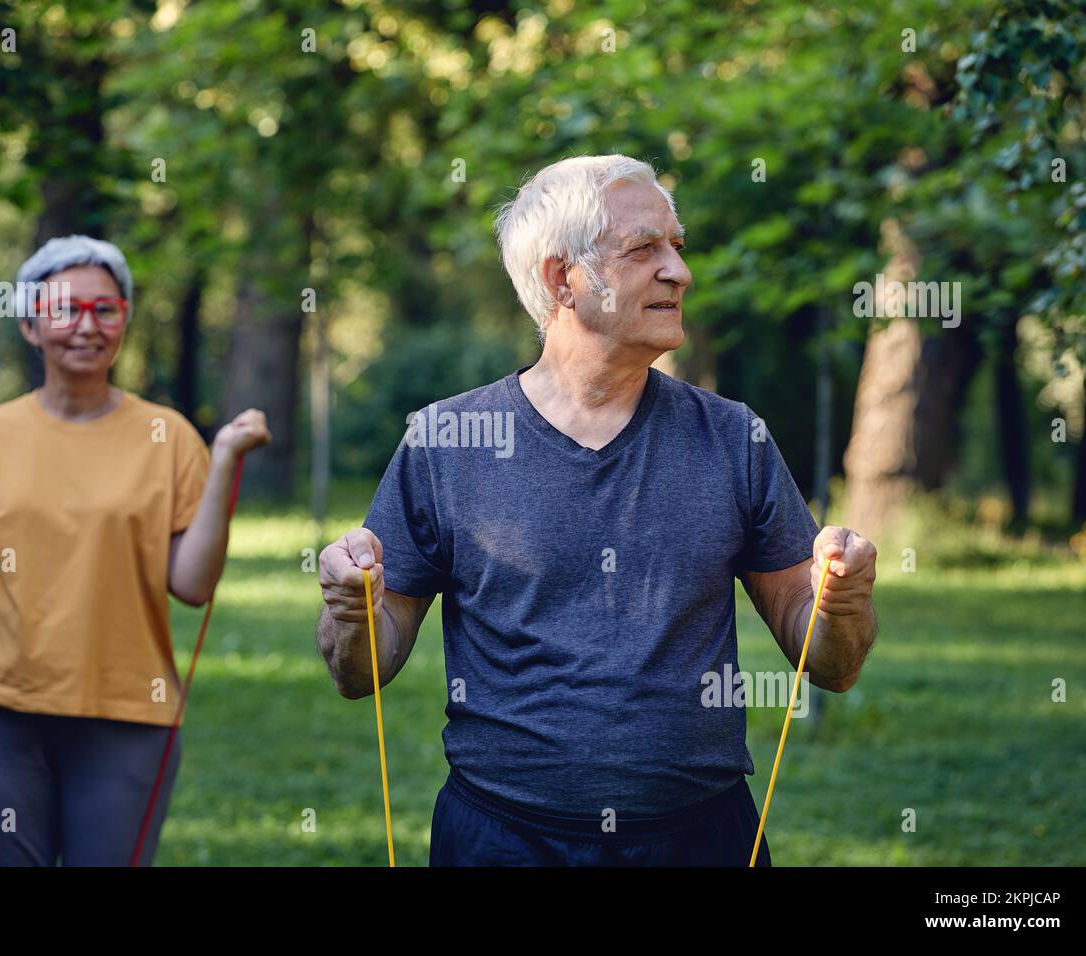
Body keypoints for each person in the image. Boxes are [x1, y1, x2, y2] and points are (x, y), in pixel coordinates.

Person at [316, 155, 878, 866]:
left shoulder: (735, 437)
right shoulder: (445, 441)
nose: (680, 271)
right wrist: (349, 609)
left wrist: (842, 604)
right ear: (563, 279)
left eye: (677, 246)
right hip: (502, 840)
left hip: (703, 840)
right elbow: (360, 668)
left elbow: (829, 663)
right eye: (645, 249)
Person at [0, 235, 271, 866]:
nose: (86, 326)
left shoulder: (168, 437)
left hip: (128, 713)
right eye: (66, 310)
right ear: (31, 325)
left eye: (105, 310)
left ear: (123, 320)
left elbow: (192, 584)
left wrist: (223, 459)